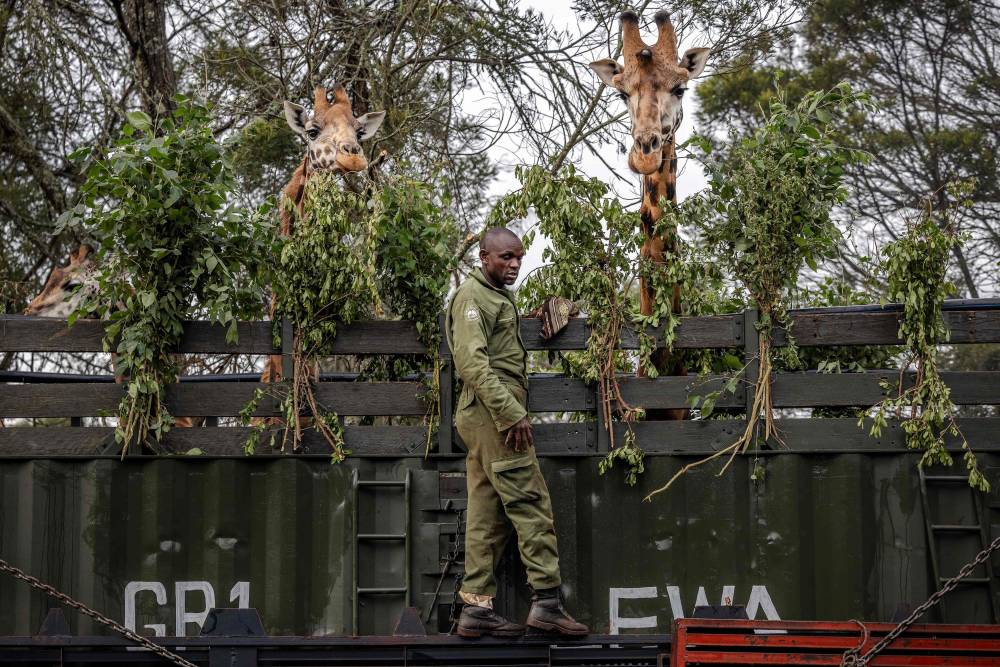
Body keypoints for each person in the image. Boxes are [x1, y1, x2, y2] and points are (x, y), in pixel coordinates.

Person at [446, 227, 589, 638]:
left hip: (486, 414)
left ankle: (475, 607)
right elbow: (471, 364)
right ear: (484, 256)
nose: (514, 265)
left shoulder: (496, 296)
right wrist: (511, 412)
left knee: (486, 513)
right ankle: (546, 603)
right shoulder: (473, 298)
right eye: (505, 257)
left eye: (519, 258)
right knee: (529, 500)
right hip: (495, 414)